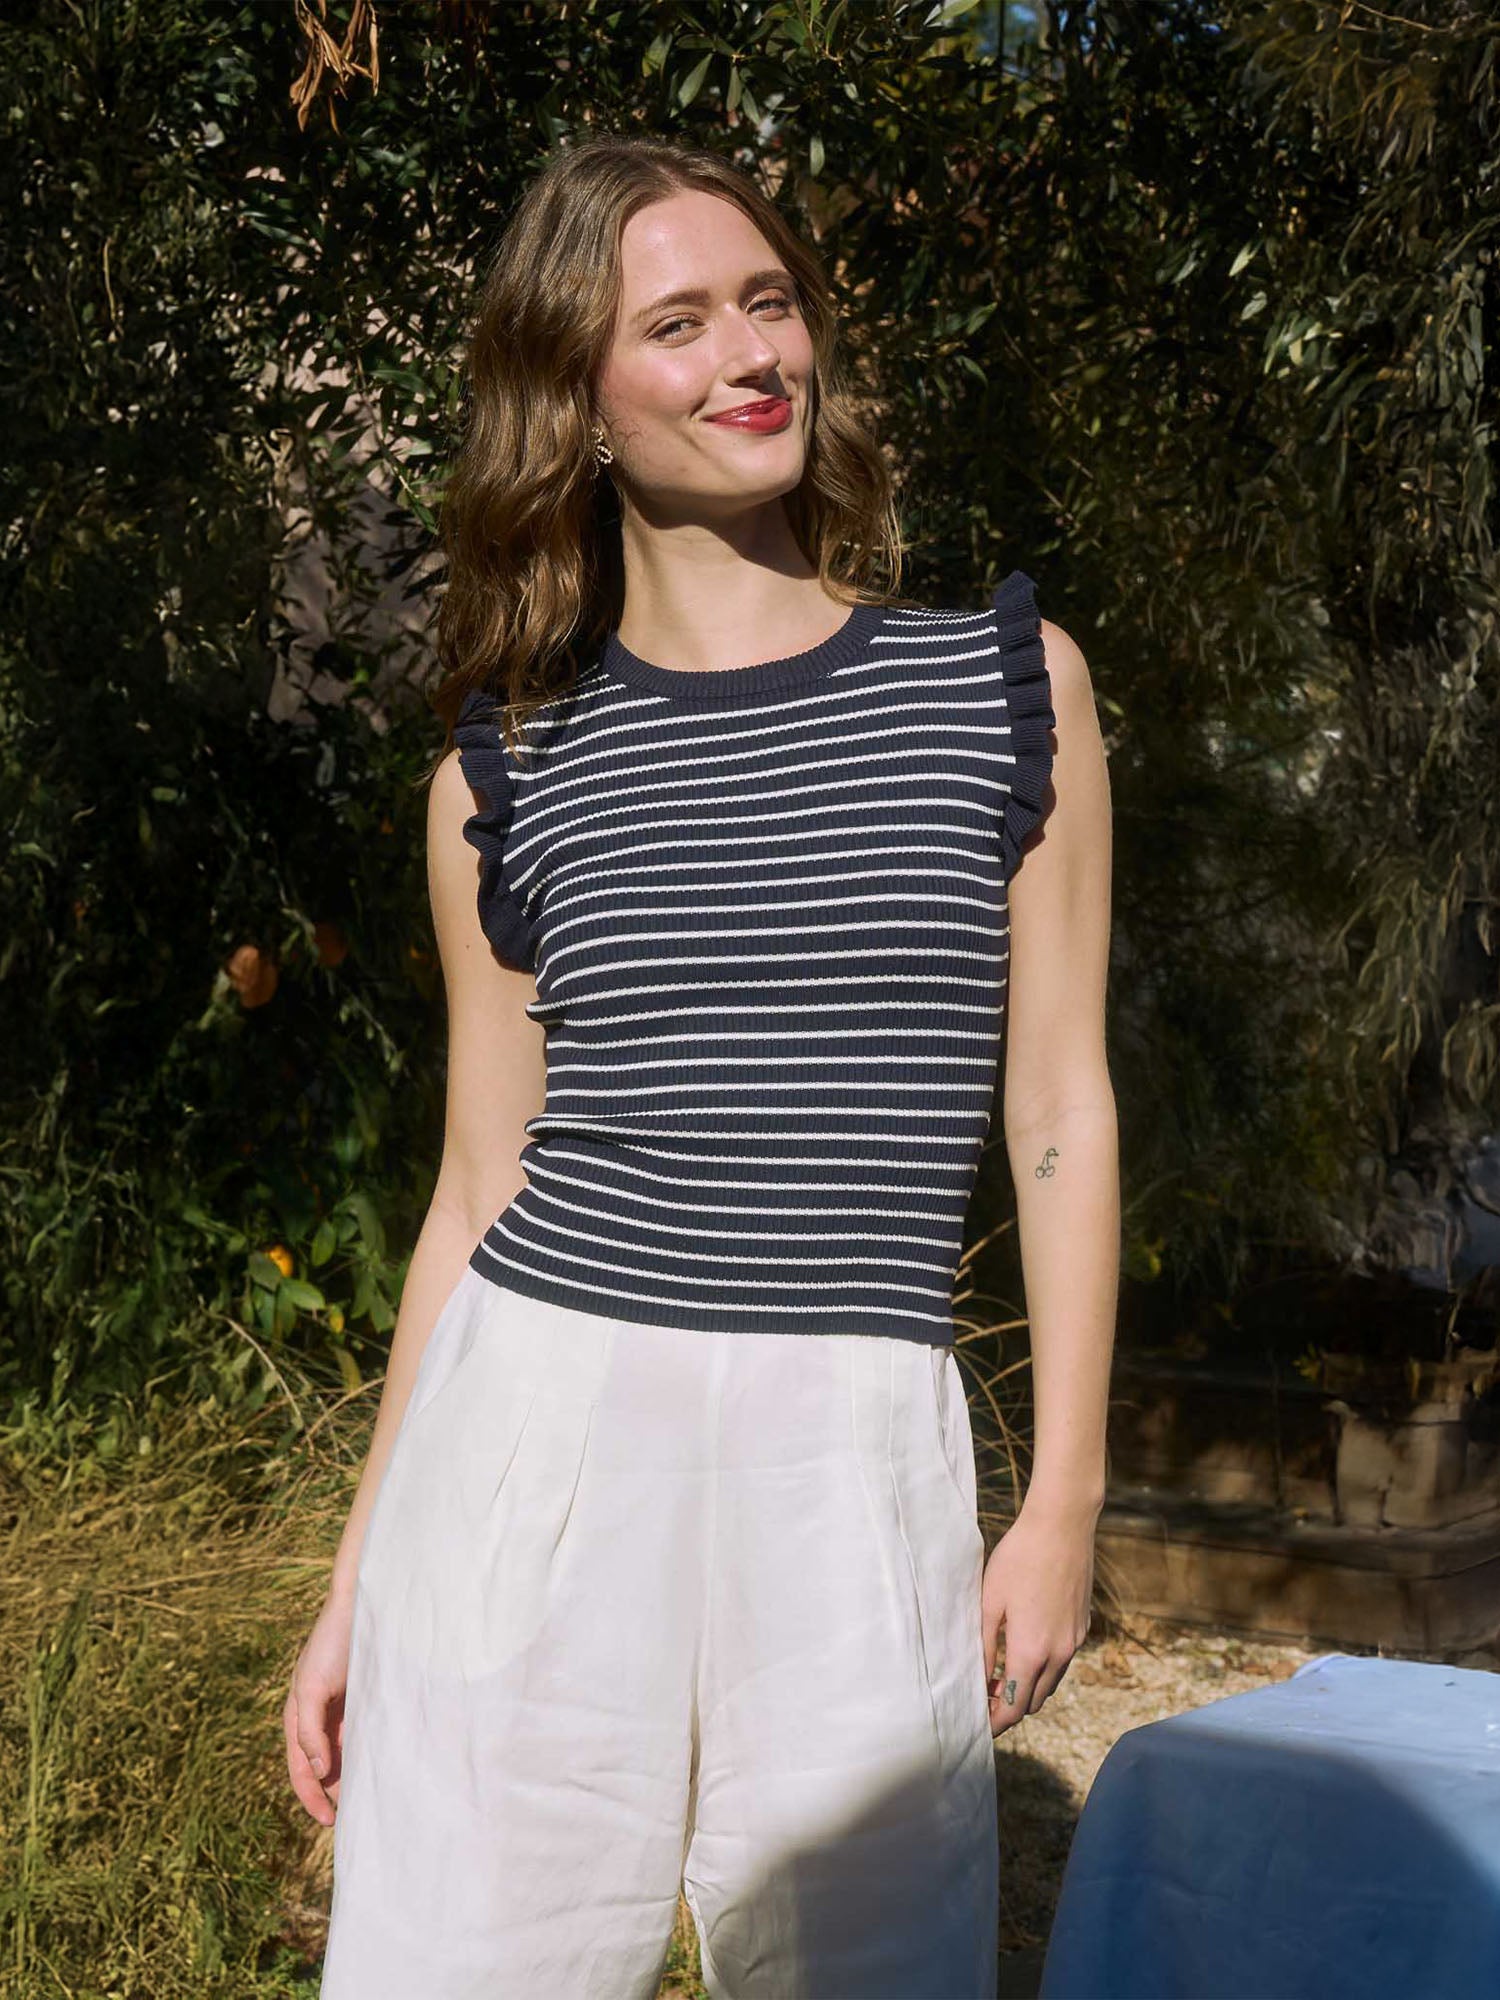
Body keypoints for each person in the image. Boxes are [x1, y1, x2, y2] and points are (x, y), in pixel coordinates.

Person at [286, 131, 1117, 2000]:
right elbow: (479, 1185)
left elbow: (1059, 1105)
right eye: (678, 323)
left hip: (852, 1446)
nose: (752, 354)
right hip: (539, 1428)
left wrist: (1063, 1496)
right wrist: (356, 1578)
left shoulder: (1003, 687)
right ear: (575, 404)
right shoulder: (502, 770)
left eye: (769, 302)